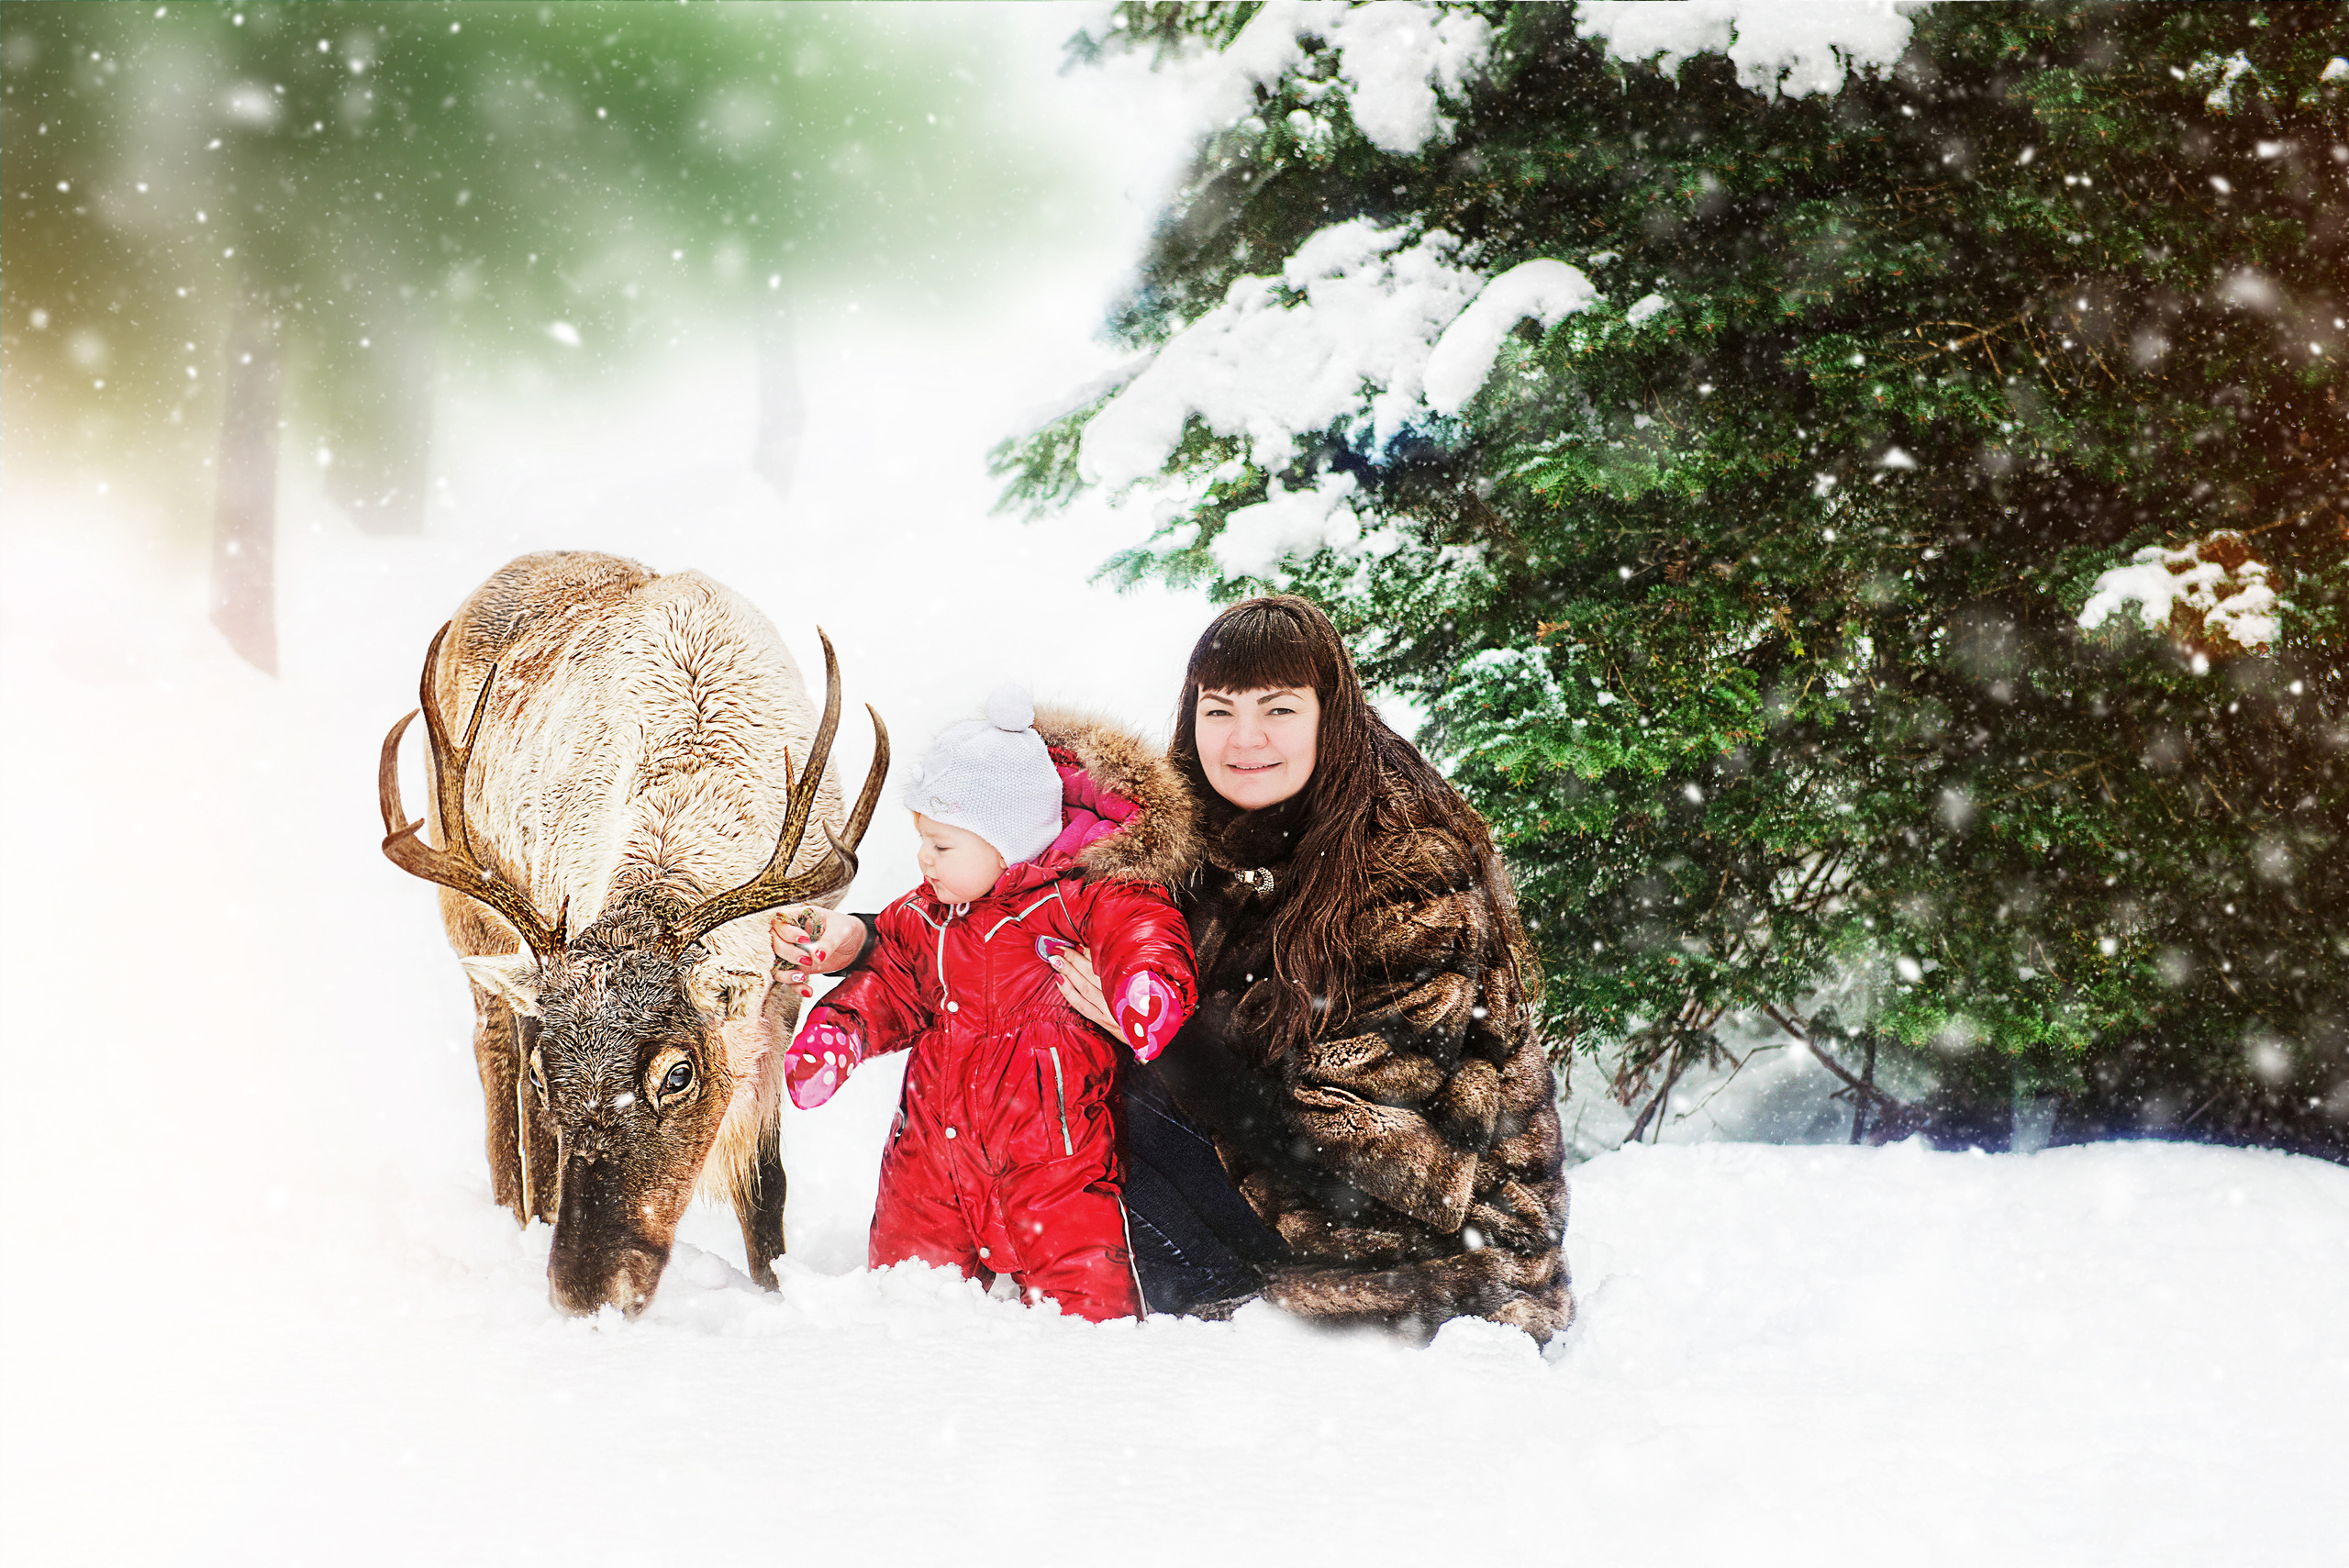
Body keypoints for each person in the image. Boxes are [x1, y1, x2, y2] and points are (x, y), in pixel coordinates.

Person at [1052, 595, 1572, 1342]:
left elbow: (1364, 1156)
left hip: (1424, 1243)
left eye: (1280, 709)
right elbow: (1028, 911)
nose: (1245, 739)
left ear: (1332, 712)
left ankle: (1200, 1302)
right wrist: (871, 941)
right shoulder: (1203, 829)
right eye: (1219, 709)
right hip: (1278, 1169)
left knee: (1100, 1128)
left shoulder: (1407, 872)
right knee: (1044, 1069)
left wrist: (1165, 1038)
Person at [775, 685, 1197, 1322]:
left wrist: (1147, 987)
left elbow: (1143, 928)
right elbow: (889, 980)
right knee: (907, 1279)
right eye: (924, 840)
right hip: (932, 1152)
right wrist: (841, 1033)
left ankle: (1096, 1362)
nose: (924, 859)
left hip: (1052, 1153)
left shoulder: (1078, 900)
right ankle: (903, 1336)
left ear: (1009, 842)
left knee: (1082, 1287)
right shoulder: (924, 917)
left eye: (943, 845)